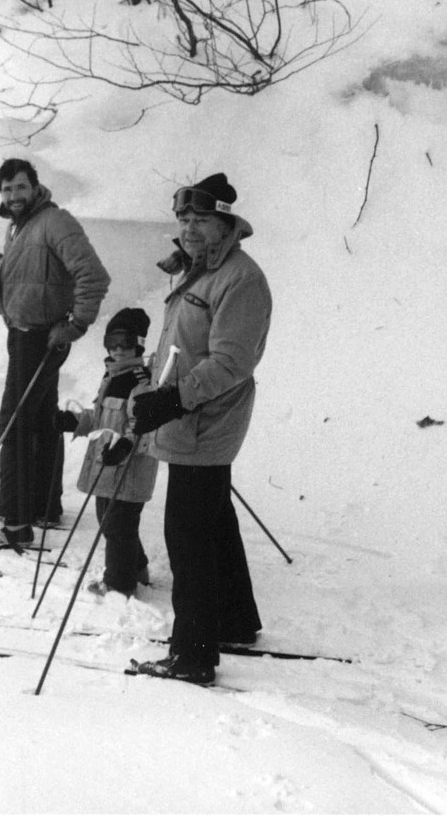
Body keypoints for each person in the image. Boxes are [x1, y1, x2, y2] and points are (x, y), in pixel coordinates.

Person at [131, 172, 272, 686]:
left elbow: (231, 362)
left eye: (201, 220)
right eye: (184, 220)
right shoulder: (199, 271)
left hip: (205, 420)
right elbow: (179, 342)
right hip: (188, 414)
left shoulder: (240, 280)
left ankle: (192, 655)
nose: (189, 229)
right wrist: (153, 386)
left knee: (187, 535)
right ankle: (234, 620)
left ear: (225, 224)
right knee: (213, 523)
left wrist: (171, 398)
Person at [0, 158, 110, 548]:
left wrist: (75, 324)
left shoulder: (54, 222)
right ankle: (42, 506)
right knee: (40, 420)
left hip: (41, 339)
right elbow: (8, 271)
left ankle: (13, 523)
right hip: (26, 337)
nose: (13, 196)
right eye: (6, 189)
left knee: (13, 425)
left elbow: (93, 275)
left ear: (35, 187)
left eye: (20, 187)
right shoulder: (20, 228)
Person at [57, 307, 157, 597]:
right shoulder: (111, 377)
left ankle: (119, 583)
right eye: (110, 342)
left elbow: (144, 425)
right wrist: (74, 421)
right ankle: (137, 568)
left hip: (128, 469)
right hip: (108, 467)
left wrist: (125, 445)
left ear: (138, 343)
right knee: (112, 522)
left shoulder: (140, 381)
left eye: (124, 341)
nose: (117, 349)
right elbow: (102, 420)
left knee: (117, 526)